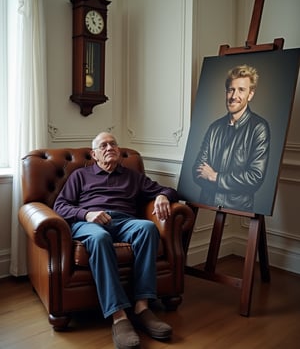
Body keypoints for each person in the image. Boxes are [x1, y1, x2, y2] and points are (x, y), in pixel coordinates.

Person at [54, 131, 178, 349]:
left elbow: (169, 189)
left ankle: (142, 307)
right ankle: (119, 316)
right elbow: (60, 206)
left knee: (148, 227)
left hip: (124, 221)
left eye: (113, 144)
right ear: (94, 154)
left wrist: (162, 195)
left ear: (119, 151)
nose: (110, 148)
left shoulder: (132, 176)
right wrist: (87, 214)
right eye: (103, 146)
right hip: (90, 223)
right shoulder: (80, 176)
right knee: (100, 238)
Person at [192, 64, 270, 213]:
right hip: (208, 203)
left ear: (251, 94)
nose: (234, 96)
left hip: (239, 209)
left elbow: (254, 177)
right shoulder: (214, 127)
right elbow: (197, 170)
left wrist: (215, 177)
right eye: (231, 90)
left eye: (241, 90)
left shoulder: (259, 128)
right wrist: (229, 181)